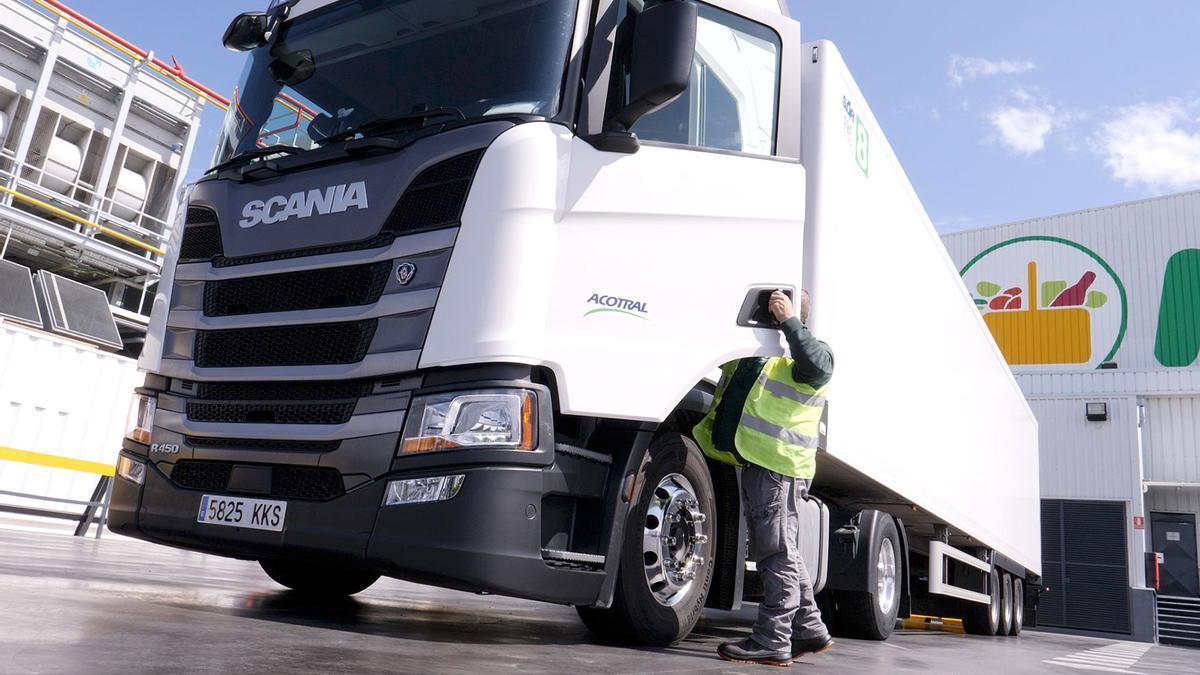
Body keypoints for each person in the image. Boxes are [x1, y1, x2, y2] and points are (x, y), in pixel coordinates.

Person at [693, 289, 834, 667]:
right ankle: (810, 629)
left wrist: (790, 322)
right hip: (761, 462)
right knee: (783, 550)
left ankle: (772, 639)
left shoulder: (807, 351)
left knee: (776, 553)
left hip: (778, 466)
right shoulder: (762, 353)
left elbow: (820, 367)